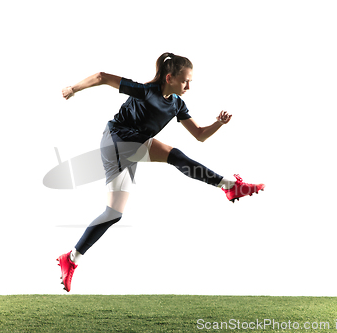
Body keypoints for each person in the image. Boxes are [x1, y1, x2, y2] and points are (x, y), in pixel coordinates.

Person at [56, 52, 264, 292]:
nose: (189, 85)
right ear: (169, 78)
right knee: (174, 155)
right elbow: (102, 76)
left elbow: (200, 135)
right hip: (116, 140)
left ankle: (71, 259)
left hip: (133, 145)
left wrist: (218, 123)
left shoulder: (177, 104)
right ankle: (229, 186)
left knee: (113, 213)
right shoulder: (145, 91)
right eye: (186, 80)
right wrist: (73, 88)